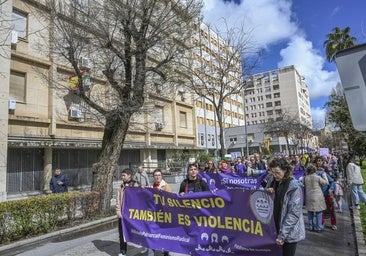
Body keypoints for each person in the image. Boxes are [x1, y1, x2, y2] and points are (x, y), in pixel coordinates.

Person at [267, 157, 305, 256]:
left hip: (288, 235)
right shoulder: (271, 181)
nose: (275, 175)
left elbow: (293, 213)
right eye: (272, 172)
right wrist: (266, 193)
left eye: (277, 172)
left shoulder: (294, 187)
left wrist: (282, 235)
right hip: (273, 230)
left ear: (285, 170)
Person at [116, 168, 138, 256]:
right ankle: (123, 250)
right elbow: (118, 200)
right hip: (122, 214)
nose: (122, 177)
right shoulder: (121, 186)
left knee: (138, 231)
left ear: (129, 175)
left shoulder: (135, 184)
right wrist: (118, 212)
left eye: (124, 175)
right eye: (122, 175)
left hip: (133, 214)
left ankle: (146, 247)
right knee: (122, 233)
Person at [303, 164, 329, 232]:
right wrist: (324, 175)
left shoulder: (305, 178)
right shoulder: (317, 177)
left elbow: (303, 185)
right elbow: (326, 183)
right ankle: (319, 227)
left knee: (310, 212)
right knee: (319, 212)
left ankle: (311, 227)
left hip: (309, 196)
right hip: (318, 197)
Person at [314, 156, 337, 230]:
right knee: (320, 210)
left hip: (326, 193)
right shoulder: (313, 172)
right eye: (317, 161)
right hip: (318, 194)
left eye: (320, 161)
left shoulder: (324, 171)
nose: (318, 162)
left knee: (331, 209)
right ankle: (322, 223)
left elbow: (332, 181)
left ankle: (333, 223)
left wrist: (330, 189)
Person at [152, 169, 171, 256]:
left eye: (159, 175)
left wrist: (161, 193)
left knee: (165, 234)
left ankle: (166, 252)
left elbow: (171, 200)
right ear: (153, 177)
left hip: (164, 214)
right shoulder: (153, 186)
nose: (157, 177)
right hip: (155, 214)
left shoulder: (166, 186)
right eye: (156, 175)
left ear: (161, 176)